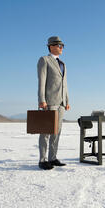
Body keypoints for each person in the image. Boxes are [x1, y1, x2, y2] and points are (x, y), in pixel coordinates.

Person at [37, 36, 70, 170]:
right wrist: (42, 100)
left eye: (62, 46)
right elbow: (42, 81)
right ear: (51, 46)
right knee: (46, 132)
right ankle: (43, 159)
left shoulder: (63, 64)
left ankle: (53, 157)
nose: (61, 48)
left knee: (57, 131)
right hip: (49, 102)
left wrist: (67, 100)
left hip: (61, 103)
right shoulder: (44, 60)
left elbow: (65, 84)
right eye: (59, 45)